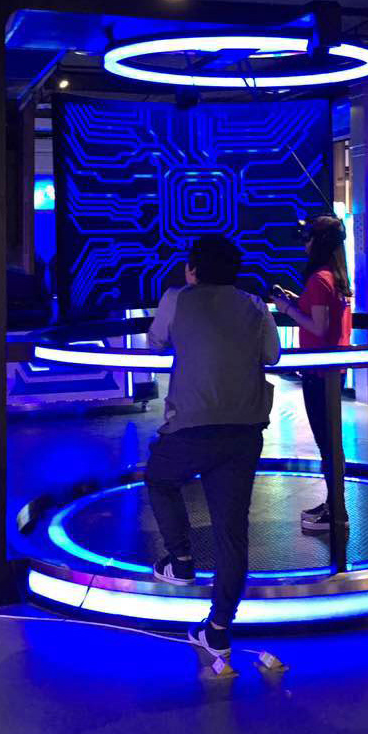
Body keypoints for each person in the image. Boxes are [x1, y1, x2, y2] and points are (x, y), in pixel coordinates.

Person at [145, 234, 280, 662]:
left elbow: (155, 342)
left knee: (159, 479)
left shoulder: (176, 299)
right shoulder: (255, 305)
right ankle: (218, 629)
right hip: (244, 430)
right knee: (231, 532)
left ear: (193, 270)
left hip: (192, 427)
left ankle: (181, 560)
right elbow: (273, 356)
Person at [271, 215, 353, 532]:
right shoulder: (336, 277)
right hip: (332, 371)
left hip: (319, 373)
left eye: (308, 238)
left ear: (318, 242)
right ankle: (335, 504)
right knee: (331, 442)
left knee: (327, 443)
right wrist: (297, 301)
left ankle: (337, 512)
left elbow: (318, 327)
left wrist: (287, 309)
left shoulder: (320, 279)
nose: (305, 244)